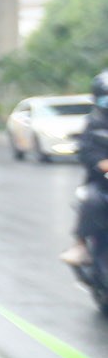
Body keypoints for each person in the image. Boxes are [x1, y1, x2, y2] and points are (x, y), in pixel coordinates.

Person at [60, 70, 108, 267]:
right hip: (101, 181)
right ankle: (80, 244)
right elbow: (86, 151)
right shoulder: (94, 122)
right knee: (91, 200)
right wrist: (101, 162)